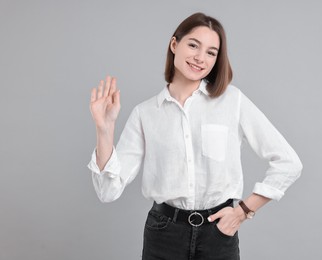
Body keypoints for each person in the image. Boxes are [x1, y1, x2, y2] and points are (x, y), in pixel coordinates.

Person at [87, 12, 302, 260]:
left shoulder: (232, 101)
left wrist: (243, 211)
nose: (200, 58)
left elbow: (289, 162)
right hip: (163, 234)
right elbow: (107, 191)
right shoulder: (145, 113)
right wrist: (104, 129)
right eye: (193, 45)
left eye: (211, 52)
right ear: (174, 44)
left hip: (218, 234)